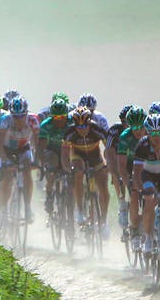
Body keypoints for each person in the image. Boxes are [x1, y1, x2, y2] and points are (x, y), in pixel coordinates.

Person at [62, 106, 110, 239]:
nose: (81, 129)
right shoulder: (70, 133)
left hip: (95, 157)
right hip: (78, 156)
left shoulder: (97, 130)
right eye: (79, 126)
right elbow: (64, 154)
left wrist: (109, 165)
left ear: (89, 123)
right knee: (78, 172)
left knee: (104, 189)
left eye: (84, 126)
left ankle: (104, 222)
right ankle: (80, 211)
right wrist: (68, 168)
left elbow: (109, 150)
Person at [132, 114, 160, 254]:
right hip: (148, 175)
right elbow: (137, 172)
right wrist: (141, 189)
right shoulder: (142, 145)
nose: (156, 136)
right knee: (150, 199)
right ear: (147, 132)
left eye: (159, 133)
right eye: (152, 133)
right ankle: (149, 237)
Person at [0, 96, 39, 224]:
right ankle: (4, 210)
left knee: (27, 172)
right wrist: (5, 161)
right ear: (11, 114)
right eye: (15, 116)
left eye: (21, 116)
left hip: (24, 149)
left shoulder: (33, 120)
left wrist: (36, 160)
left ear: (26, 113)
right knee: (7, 178)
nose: (18, 119)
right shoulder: (5, 120)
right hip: (7, 150)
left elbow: (37, 144)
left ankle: (27, 207)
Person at [116, 105, 148, 247]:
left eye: (140, 127)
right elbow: (121, 165)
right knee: (134, 193)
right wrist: (127, 183)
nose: (137, 132)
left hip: (147, 166)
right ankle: (134, 230)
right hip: (130, 166)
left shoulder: (150, 134)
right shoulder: (125, 137)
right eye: (133, 128)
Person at [37, 98, 73, 215]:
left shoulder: (71, 123)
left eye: (62, 117)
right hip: (52, 151)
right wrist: (42, 166)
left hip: (68, 151)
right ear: (51, 116)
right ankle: (49, 195)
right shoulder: (46, 125)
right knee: (52, 165)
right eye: (56, 117)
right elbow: (40, 148)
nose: (59, 120)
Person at [106, 103, 132, 223]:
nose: (127, 125)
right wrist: (114, 173)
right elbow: (109, 152)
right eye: (124, 122)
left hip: (134, 160)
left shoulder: (141, 130)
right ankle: (122, 204)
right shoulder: (115, 130)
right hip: (118, 159)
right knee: (116, 173)